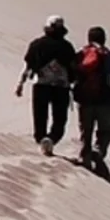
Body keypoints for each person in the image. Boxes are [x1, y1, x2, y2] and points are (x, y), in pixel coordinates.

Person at [15, 15, 77, 156]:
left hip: (41, 86)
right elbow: (74, 68)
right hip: (61, 87)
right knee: (60, 119)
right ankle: (51, 139)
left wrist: (21, 83)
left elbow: (28, 66)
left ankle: (42, 139)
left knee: (40, 117)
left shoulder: (37, 44)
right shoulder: (67, 47)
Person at [73, 25, 110, 171]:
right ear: (104, 39)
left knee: (86, 130)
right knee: (106, 130)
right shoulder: (109, 56)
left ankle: (85, 158)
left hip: (84, 100)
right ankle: (98, 150)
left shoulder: (81, 54)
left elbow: (73, 74)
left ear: (89, 38)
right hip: (104, 100)